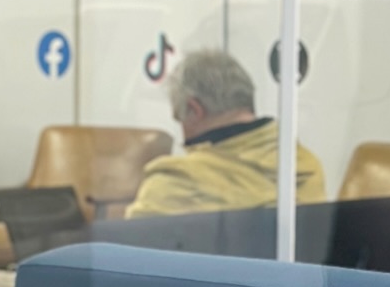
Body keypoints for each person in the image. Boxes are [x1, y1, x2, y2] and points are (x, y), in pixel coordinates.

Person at [128, 48, 325, 216]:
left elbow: (130, 246)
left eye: (178, 118)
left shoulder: (174, 183)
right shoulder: (305, 165)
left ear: (194, 110)